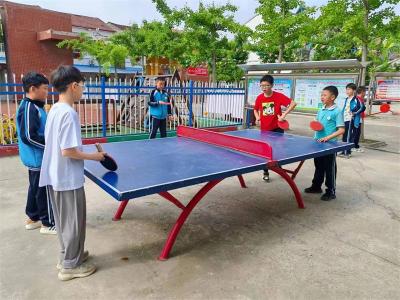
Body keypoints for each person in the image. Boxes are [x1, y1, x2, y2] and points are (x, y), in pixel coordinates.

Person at [39, 66, 106, 281]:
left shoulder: (55, 109)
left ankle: (71, 256)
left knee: (66, 222)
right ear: (74, 86)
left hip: (55, 175)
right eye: (82, 85)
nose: (83, 90)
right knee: (73, 222)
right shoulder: (69, 113)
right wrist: (95, 157)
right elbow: (68, 151)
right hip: (67, 178)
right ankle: (70, 266)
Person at [16, 71, 56, 235]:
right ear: (33, 88)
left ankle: (33, 218)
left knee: (35, 188)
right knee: (43, 190)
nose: (47, 92)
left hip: (36, 157)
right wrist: (50, 146)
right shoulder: (29, 108)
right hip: (37, 158)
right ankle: (47, 223)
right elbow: (28, 137)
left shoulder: (34, 106)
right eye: (45, 89)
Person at [304, 86, 345, 201]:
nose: (322, 97)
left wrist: (327, 138)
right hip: (318, 143)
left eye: (324, 95)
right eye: (321, 95)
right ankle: (316, 186)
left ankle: (331, 191)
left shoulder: (337, 111)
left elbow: (341, 130)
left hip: (329, 145)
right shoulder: (321, 109)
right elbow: (317, 123)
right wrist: (315, 124)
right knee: (318, 166)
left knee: (329, 168)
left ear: (332, 97)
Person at [253, 74, 297, 181]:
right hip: (265, 129)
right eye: (262, 85)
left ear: (272, 85)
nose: (264, 87)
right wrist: (257, 117)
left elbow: (293, 103)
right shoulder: (259, 97)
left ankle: (279, 167)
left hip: (277, 127)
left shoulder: (278, 96)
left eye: (267, 85)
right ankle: (266, 171)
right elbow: (255, 109)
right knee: (265, 151)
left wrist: (283, 115)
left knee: (278, 149)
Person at [339, 83, 363, 158]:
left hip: (351, 120)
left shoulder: (356, 99)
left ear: (354, 90)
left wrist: (354, 113)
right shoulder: (347, 99)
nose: (347, 91)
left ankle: (347, 152)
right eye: (346, 89)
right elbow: (345, 109)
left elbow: (362, 108)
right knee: (345, 135)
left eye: (349, 89)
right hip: (345, 119)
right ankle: (343, 151)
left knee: (349, 136)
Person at [353, 86, 367, 152]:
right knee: (356, 132)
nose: (365, 93)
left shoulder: (359, 99)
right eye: (365, 92)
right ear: (362, 92)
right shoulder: (358, 99)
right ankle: (354, 146)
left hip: (358, 118)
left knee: (357, 132)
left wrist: (363, 114)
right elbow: (357, 110)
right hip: (356, 119)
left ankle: (355, 145)